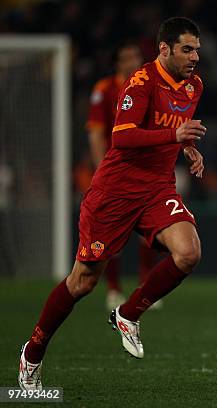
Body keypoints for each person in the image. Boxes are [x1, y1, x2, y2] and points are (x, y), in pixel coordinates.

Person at [18, 16, 207, 390]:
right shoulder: (140, 82)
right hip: (115, 191)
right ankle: (32, 354)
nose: (195, 57)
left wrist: (187, 147)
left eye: (197, 49)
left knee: (188, 253)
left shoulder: (194, 85)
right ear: (164, 49)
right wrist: (175, 134)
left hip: (157, 188)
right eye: (187, 49)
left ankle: (128, 313)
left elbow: (174, 124)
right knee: (83, 282)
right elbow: (122, 138)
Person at [86, 42, 162, 311]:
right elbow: (96, 133)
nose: (132, 62)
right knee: (112, 233)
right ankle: (114, 290)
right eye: (126, 58)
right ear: (118, 63)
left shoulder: (150, 85)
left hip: (145, 171)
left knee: (149, 230)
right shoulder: (104, 90)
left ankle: (145, 288)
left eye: (135, 57)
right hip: (116, 171)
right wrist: (101, 169)